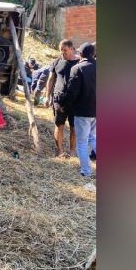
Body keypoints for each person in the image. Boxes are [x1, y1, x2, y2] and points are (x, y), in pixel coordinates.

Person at [59, 42, 96, 177]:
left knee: (82, 142)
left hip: (82, 110)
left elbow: (72, 92)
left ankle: (86, 171)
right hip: (97, 110)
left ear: (80, 54)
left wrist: (62, 104)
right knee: (93, 138)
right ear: (93, 54)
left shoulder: (78, 68)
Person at [46, 39, 80, 157]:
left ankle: (72, 151)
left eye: (65, 50)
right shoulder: (56, 62)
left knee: (74, 128)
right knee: (59, 125)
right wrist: (47, 96)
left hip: (75, 101)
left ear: (72, 49)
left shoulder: (79, 63)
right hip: (58, 99)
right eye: (61, 51)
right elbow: (50, 80)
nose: (63, 53)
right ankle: (59, 151)